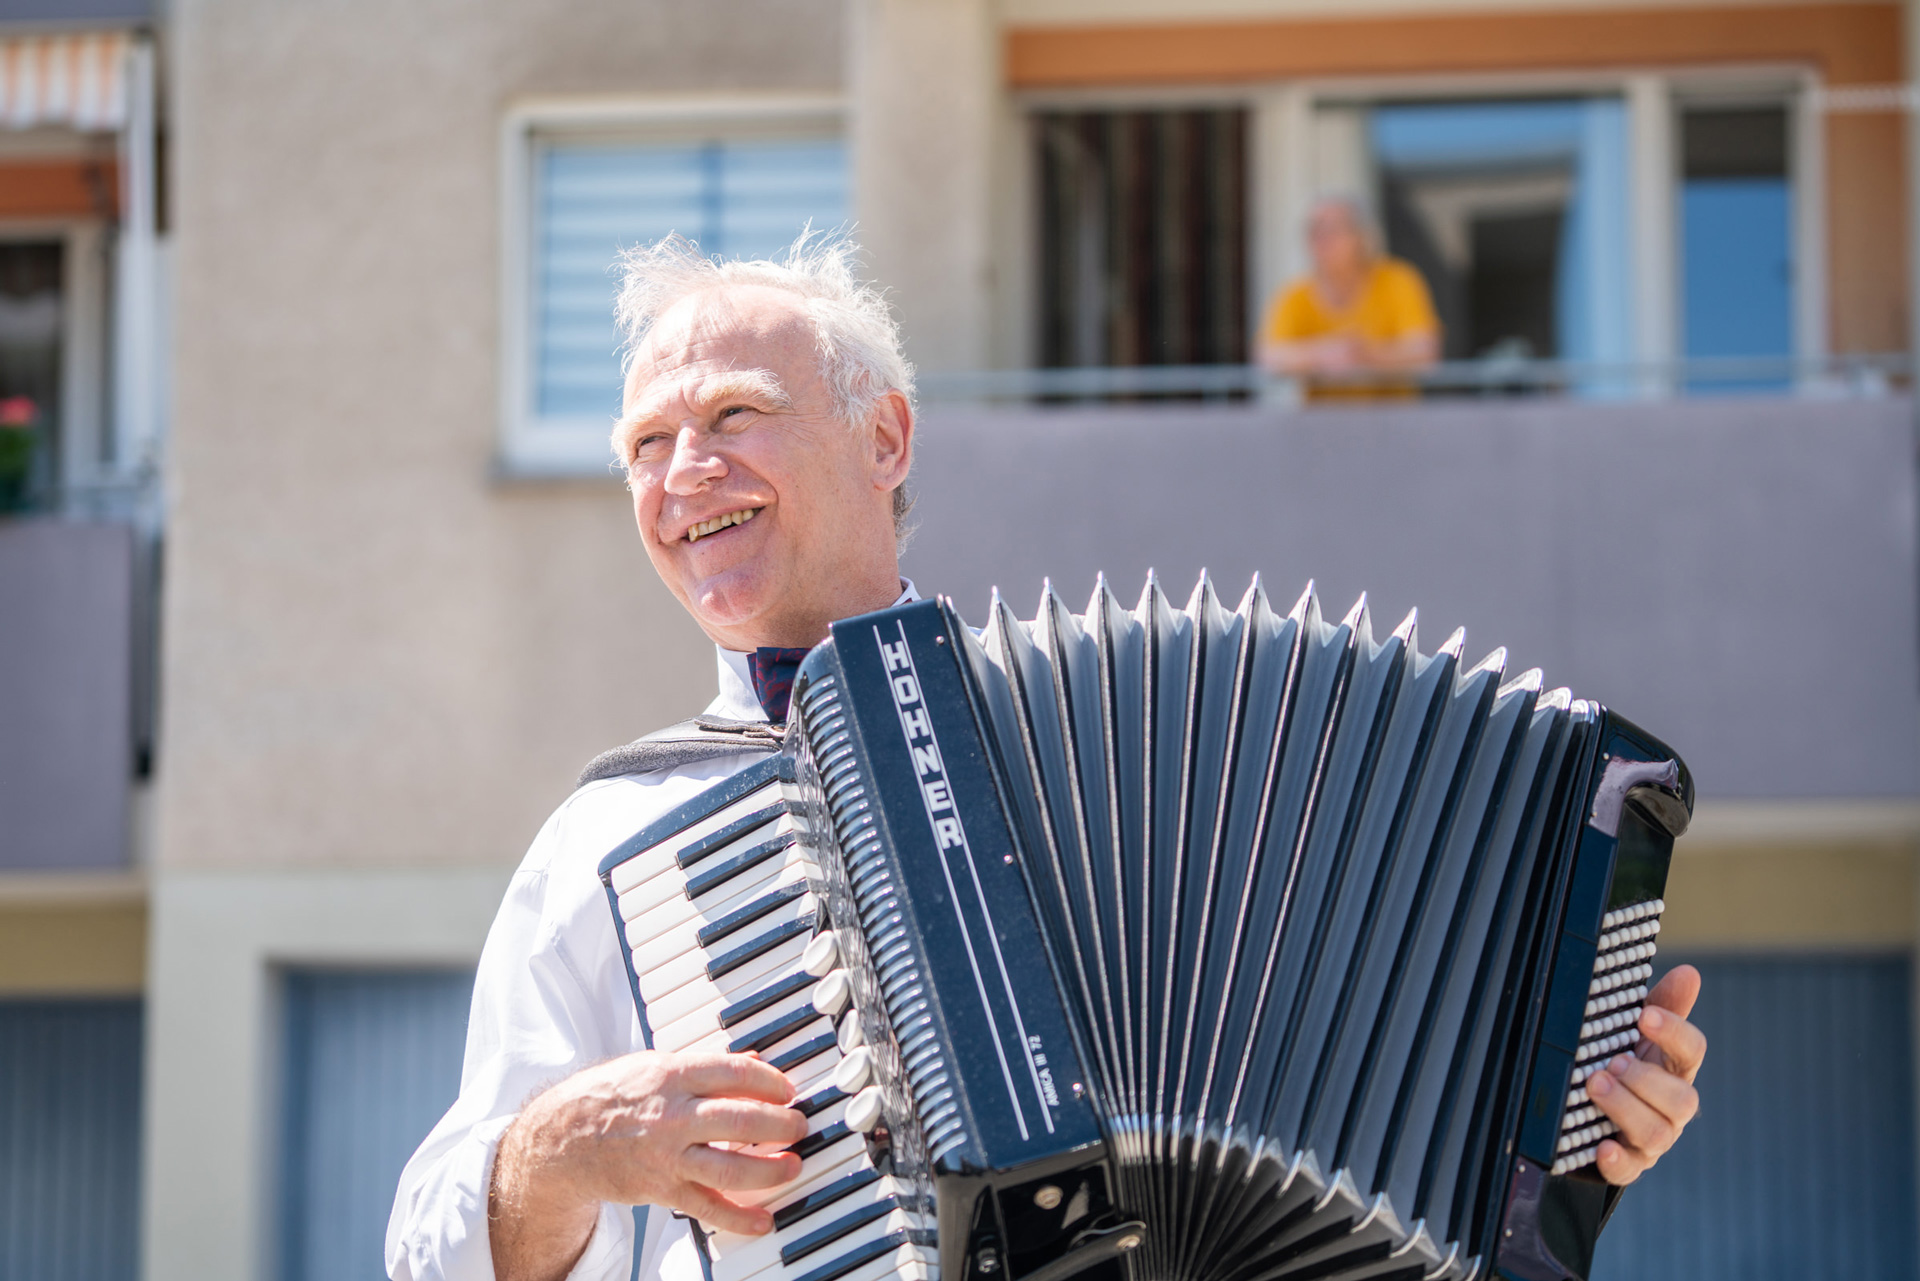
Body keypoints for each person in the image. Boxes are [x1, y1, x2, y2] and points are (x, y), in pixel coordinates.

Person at [387, 234, 1707, 1281]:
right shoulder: (613, 843)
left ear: (886, 438)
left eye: (735, 413)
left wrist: (1565, 1142)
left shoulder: (1158, 741)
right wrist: (558, 1154)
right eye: (644, 445)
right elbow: (429, 1254)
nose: (685, 470)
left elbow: (1426, 1099)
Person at [1258, 195, 1441, 399]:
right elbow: (1270, 357)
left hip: (1392, 421)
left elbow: (1424, 352)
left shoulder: (1398, 281)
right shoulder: (1294, 295)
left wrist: (1366, 355)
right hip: (1324, 424)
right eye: (1314, 230)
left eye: (1333, 229)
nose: (1321, 239)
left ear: (1361, 236)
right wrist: (1323, 354)